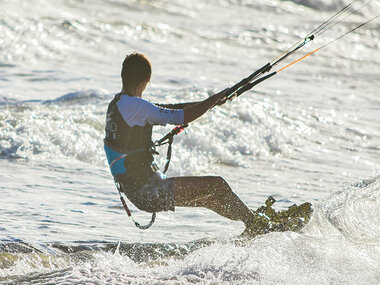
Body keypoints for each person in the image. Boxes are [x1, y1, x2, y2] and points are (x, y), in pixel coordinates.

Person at [104, 52, 255, 230]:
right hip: (149, 191)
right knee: (217, 185)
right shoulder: (135, 106)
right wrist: (213, 99)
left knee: (209, 198)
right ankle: (255, 224)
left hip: (139, 191)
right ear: (148, 78)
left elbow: (168, 109)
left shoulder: (119, 104)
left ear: (124, 76)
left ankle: (252, 221)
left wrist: (210, 103)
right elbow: (181, 116)